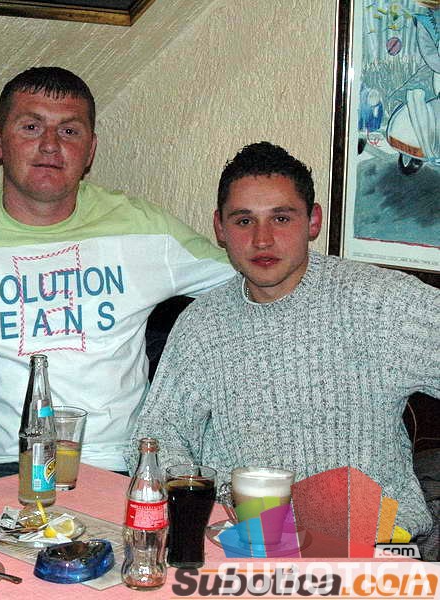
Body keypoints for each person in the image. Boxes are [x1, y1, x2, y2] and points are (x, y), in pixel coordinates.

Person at [126, 141, 439, 547]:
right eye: (244, 221)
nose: (262, 239)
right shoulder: (203, 324)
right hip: (245, 544)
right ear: (220, 229)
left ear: (313, 221)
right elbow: (156, 434)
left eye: (281, 218)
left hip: (370, 548)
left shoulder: (379, 303)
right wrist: (196, 501)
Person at [0, 67, 235, 483]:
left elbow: (256, 278)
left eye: (69, 131)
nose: (50, 145)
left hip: (113, 461)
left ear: (90, 149)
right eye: (30, 127)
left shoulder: (143, 230)